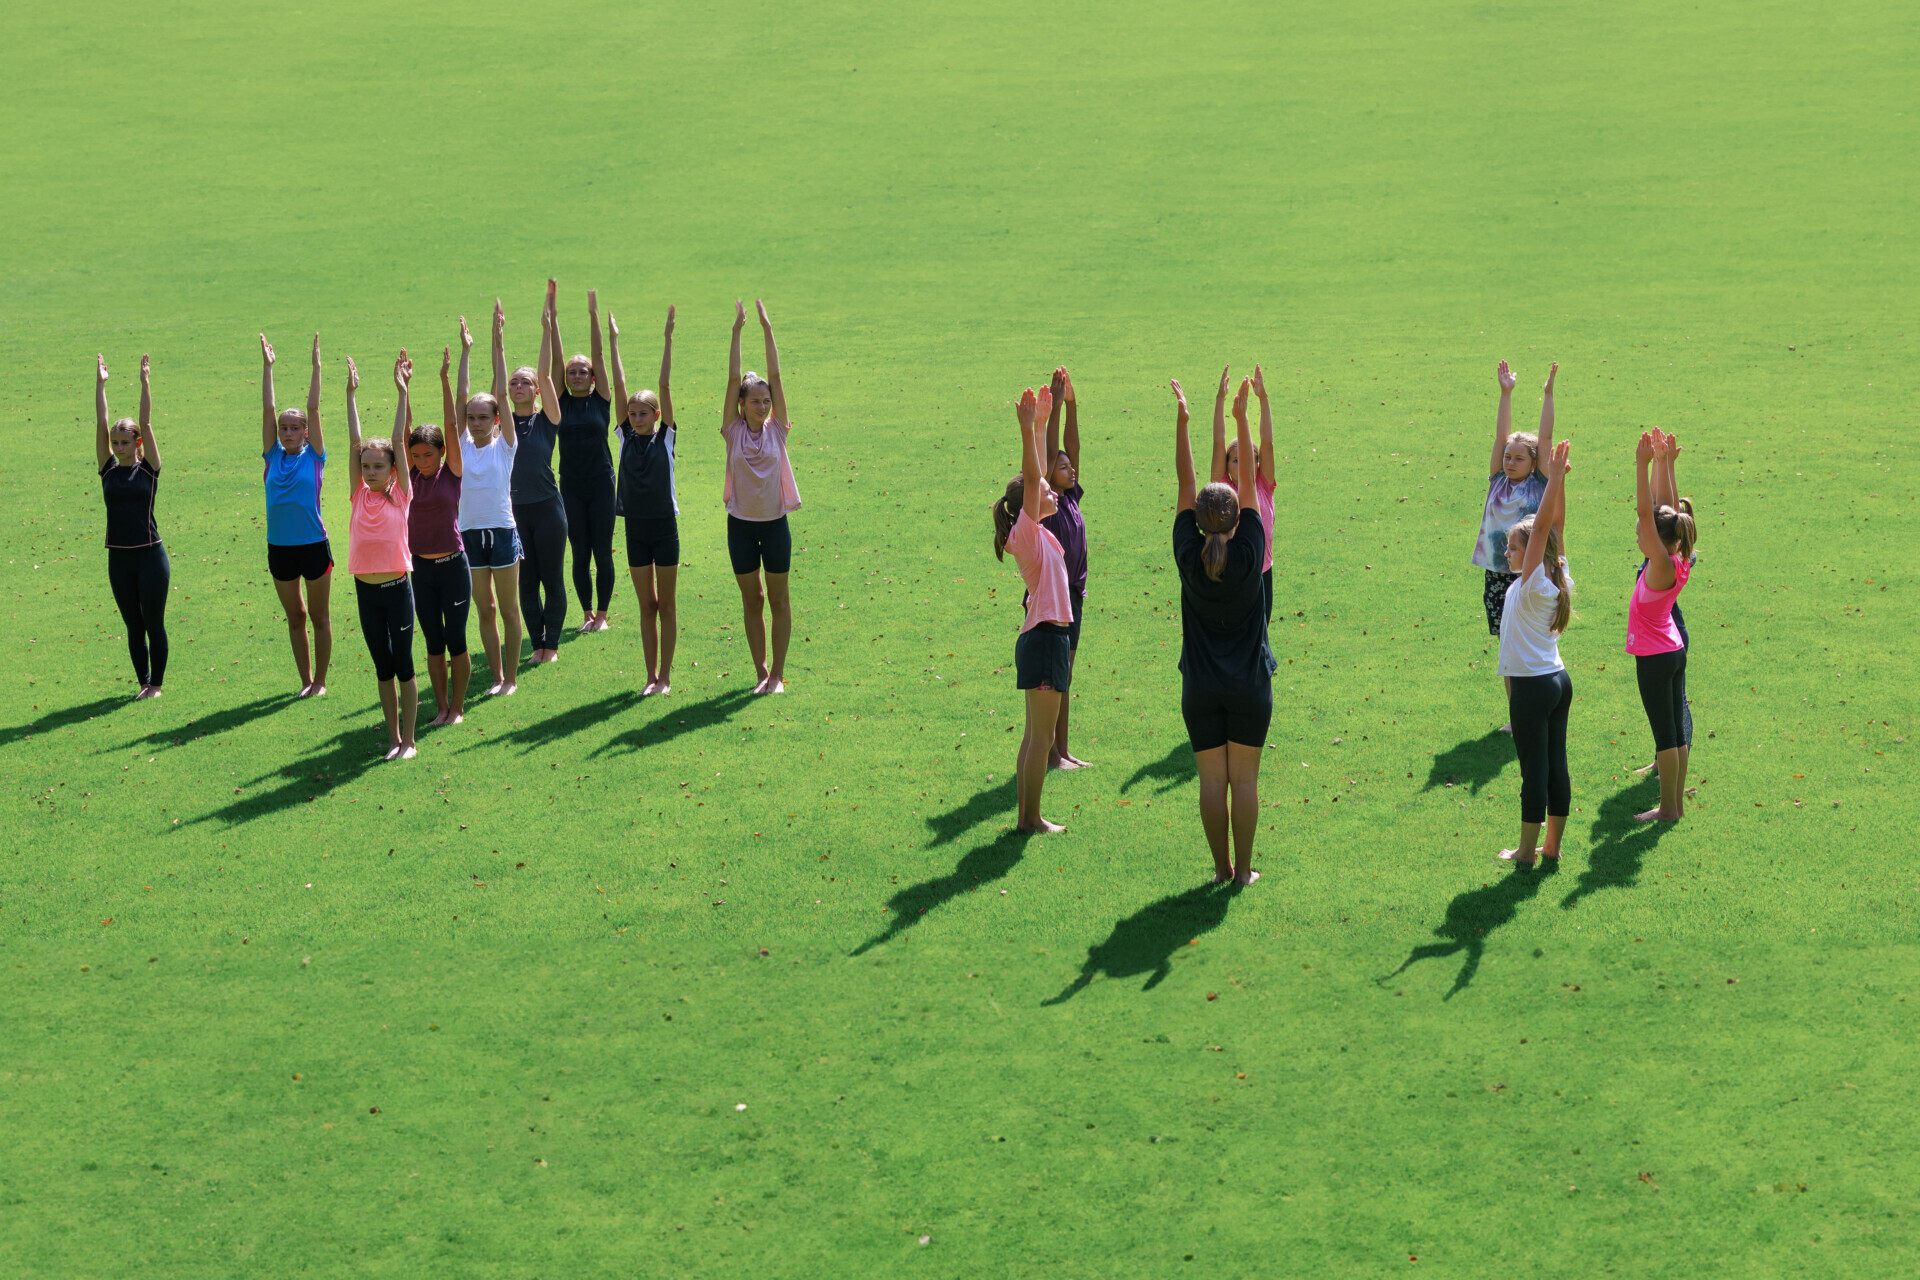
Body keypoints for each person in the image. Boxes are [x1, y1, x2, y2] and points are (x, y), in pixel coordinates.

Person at [1174, 376, 1274, 885]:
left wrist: (1184, 422)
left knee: (1212, 781)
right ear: (1238, 516)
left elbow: (1185, 488)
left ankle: (1220, 870)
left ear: (1198, 521)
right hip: (1250, 685)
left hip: (1201, 687)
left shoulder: (1189, 555)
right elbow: (1253, 482)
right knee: (1246, 779)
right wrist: (1241, 415)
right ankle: (1242, 874)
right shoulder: (1252, 546)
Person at [1494, 440, 1575, 867]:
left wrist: (1555, 478)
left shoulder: (1529, 586)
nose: (1507, 553)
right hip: (1558, 681)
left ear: (1530, 557)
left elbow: (1544, 527)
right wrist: (1558, 482)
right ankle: (1553, 846)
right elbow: (1554, 527)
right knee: (1556, 763)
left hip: (1532, 688)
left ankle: (1527, 851)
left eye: (1512, 548)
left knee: (1534, 772)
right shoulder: (1556, 575)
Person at [991, 384, 1066, 834]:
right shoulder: (1026, 535)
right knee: (1042, 738)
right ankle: (1031, 820)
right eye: (1043, 489)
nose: (1051, 489)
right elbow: (1031, 472)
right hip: (1044, 640)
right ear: (1029, 505)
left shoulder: (1038, 534)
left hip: (1043, 639)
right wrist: (1027, 432)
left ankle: (1026, 818)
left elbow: (1033, 477)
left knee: (1033, 737)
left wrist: (1041, 424)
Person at [722, 299, 803, 694]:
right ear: (741, 404)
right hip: (740, 526)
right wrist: (738, 331)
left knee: (779, 600)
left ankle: (777, 675)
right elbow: (733, 375)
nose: (762, 405)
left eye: (766, 401)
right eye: (754, 400)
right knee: (751, 601)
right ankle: (759, 670)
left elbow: (775, 374)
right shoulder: (732, 431)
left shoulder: (778, 429)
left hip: (775, 526)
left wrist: (768, 329)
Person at [1472, 361, 1557, 729]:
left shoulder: (1539, 483)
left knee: (1531, 639)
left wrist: (1547, 396)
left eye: (1518, 457)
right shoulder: (1496, 481)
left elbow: (1547, 439)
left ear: (1534, 462)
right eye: (1508, 456)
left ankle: (1539, 701)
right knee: (1508, 643)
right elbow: (1500, 436)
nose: (1509, 462)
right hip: (1497, 573)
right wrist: (1505, 394)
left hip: (1531, 574)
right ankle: (1515, 712)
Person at [347, 354, 419, 761]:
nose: (371, 471)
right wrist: (350, 396)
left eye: (378, 466)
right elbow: (355, 441)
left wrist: (402, 392)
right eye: (366, 466)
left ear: (393, 469)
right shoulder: (358, 494)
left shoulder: (401, 495)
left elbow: (395, 441)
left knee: (403, 663)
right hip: (365, 591)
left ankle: (409, 740)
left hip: (397, 589)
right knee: (382, 666)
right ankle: (392, 737)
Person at [610, 305, 679, 695]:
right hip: (634, 530)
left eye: (642, 413)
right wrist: (614, 341)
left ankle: (665, 678)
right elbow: (619, 384)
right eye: (631, 413)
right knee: (645, 606)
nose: (635, 418)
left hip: (665, 529)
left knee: (666, 605)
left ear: (656, 414)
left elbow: (664, 386)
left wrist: (667, 339)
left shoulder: (666, 437)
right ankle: (650, 676)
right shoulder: (623, 438)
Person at [1627, 430, 1696, 822]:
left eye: (1645, 532)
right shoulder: (1678, 557)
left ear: (1657, 539)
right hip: (1672, 651)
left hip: (1655, 656)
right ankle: (1675, 806)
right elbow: (1665, 510)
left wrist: (1642, 465)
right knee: (1674, 732)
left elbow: (1646, 514)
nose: (1639, 533)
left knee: (1665, 736)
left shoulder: (1659, 565)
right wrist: (1664, 465)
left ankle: (1668, 808)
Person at [261, 333, 332, 697]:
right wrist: (268, 368)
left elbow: (315, 408)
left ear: (305, 432)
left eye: (294, 428)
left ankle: (320, 682)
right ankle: (304, 681)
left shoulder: (314, 456)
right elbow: (266, 411)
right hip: (280, 548)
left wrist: (316, 367)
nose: (287, 432)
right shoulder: (272, 456)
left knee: (319, 617)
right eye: (283, 428)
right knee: (295, 617)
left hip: (313, 545)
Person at [95, 353, 168, 699]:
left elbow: (146, 422)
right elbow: (100, 423)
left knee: (154, 623)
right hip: (118, 560)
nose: (118, 448)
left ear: (137, 444)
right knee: (133, 625)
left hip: (151, 557)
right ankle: (143, 682)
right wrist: (101, 385)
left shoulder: (149, 468)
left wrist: (145, 383)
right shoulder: (108, 468)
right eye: (115, 443)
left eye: (125, 442)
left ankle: (156, 685)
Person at [403, 341, 469, 726]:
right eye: (416, 456)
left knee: (456, 640)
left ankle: (458, 708)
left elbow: (452, 426)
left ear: (442, 453)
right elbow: (404, 433)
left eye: (429, 455)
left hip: (453, 568)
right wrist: (404, 390)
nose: (423, 462)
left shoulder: (451, 472)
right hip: (420, 572)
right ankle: (441, 706)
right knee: (432, 642)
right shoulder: (409, 478)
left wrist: (445, 381)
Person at [502, 289, 566, 663]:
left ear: (537, 390)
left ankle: (550, 646)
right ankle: (536, 643)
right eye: (513, 383)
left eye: (524, 382)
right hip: (514, 512)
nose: (518, 386)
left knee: (552, 578)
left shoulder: (548, 419)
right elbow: (495, 387)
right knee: (525, 582)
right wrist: (498, 340)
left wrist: (547, 329)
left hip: (547, 509)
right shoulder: (503, 424)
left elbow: (545, 371)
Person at [549, 280, 617, 632]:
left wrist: (593, 314)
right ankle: (587, 612)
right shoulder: (558, 401)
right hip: (571, 485)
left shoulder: (601, 399)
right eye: (572, 371)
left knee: (602, 550)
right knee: (579, 551)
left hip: (603, 482)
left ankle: (603, 616)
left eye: (583, 372)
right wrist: (554, 317)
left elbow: (600, 355)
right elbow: (557, 359)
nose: (576, 375)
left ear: (592, 378)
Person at [462, 301, 521, 696]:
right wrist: (466, 351)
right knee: (485, 611)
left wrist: (497, 341)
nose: (477, 422)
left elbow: (500, 389)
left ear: (497, 420)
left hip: (501, 532)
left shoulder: (506, 446)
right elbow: (463, 395)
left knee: (509, 608)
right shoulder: (462, 447)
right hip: (468, 535)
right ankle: (497, 677)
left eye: (484, 417)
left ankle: (512, 679)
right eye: (472, 417)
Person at [1038, 366, 1091, 768]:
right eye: (1062, 467)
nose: (1070, 469)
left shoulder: (1069, 497)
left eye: (1071, 467)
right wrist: (1054, 407)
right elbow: (1053, 447)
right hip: (1052, 600)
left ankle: (1063, 751)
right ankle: (1052, 754)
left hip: (1074, 594)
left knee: (1066, 677)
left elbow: (1068, 447)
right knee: (1056, 680)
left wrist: (1073, 403)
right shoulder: (1048, 500)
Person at [1211, 363, 1278, 624]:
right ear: (1227, 465)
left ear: (1258, 463)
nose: (1243, 465)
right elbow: (1218, 442)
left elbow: (1268, 443)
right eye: (1235, 460)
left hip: (1262, 574)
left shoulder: (1263, 484)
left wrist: (1263, 399)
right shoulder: (1222, 488)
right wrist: (1220, 400)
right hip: (1230, 573)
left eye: (1249, 459)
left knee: (1260, 639)